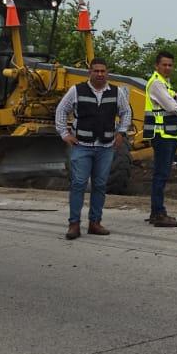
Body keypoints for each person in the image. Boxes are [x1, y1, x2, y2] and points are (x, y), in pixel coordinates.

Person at [55, 58, 131, 240]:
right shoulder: (77, 90)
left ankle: (95, 223)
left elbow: (126, 112)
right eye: (96, 71)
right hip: (82, 146)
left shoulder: (116, 92)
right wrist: (64, 134)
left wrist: (121, 132)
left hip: (105, 147)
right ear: (90, 72)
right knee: (79, 184)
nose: (99, 74)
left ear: (107, 72)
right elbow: (61, 110)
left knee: (99, 185)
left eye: (103, 71)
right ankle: (74, 224)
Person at [143, 51, 177, 227]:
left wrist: (176, 103)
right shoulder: (157, 84)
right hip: (162, 135)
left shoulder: (166, 84)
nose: (168, 68)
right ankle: (158, 213)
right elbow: (174, 107)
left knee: (162, 174)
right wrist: (176, 103)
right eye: (164, 64)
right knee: (160, 175)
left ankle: (156, 212)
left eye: (170, 65)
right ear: (156, 66)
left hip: (170, 134)